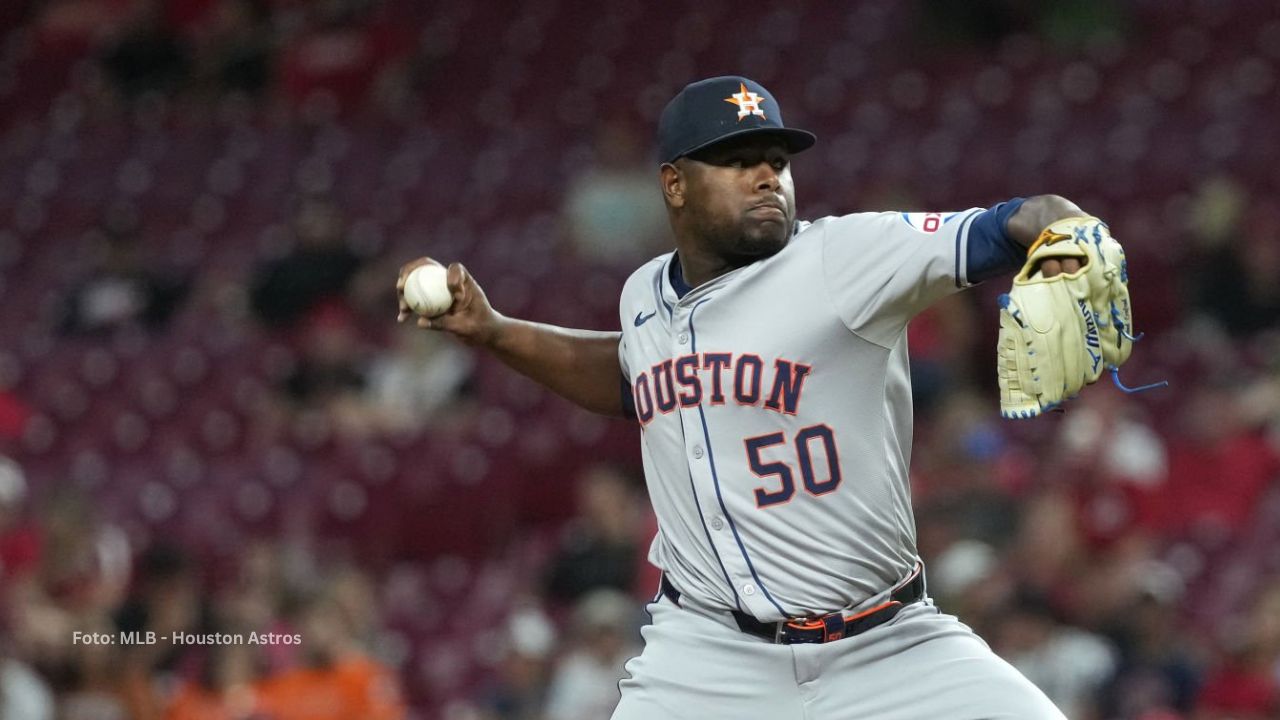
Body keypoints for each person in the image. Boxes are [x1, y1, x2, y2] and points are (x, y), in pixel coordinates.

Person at [398, 75, 1095, 718]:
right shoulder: (643, 293)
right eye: (737, 161)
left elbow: (1013, 222)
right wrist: (494, 332)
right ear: (674, 184)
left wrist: (1062, 231)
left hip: (886, 644)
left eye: (776, 159)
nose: (766, 176)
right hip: (706, 656)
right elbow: (631, 376)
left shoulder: (844, 259)